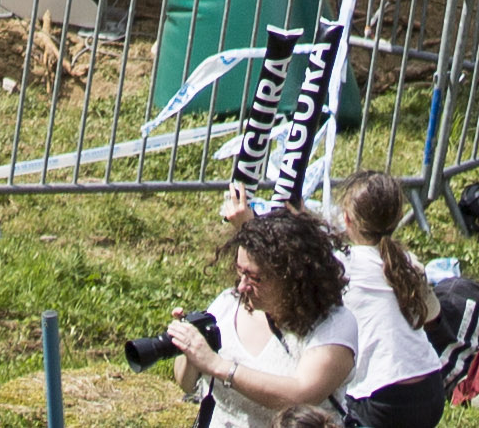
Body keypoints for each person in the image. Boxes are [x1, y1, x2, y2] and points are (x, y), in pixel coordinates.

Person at [167, 201, 373, 425]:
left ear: (294, 277)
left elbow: (301, 395)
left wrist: (217, 365)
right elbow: (187, 384)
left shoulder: (334, 325)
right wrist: (189, 348)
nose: (241, 287)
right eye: (240, 272)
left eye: (255, 278)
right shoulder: (227, 304)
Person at [331, 174, 461, 428]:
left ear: (347, 219)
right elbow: (433, 319)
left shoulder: (343, 263)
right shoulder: (409, 262)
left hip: (382, 397)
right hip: (430, 389)